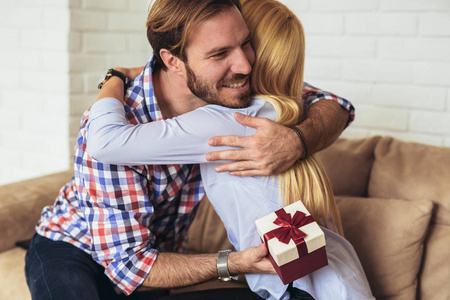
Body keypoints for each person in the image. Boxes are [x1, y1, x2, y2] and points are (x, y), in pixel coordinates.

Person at [25, 0, 358, 299]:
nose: (243, 65)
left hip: (156, 251)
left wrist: (297, 140)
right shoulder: (115, 126)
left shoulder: (234, 93)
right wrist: (237, 262)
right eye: (219, 54)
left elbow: (335, 105)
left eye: (245, 44)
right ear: (173, 61)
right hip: (70, 248)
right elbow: (130, 267)